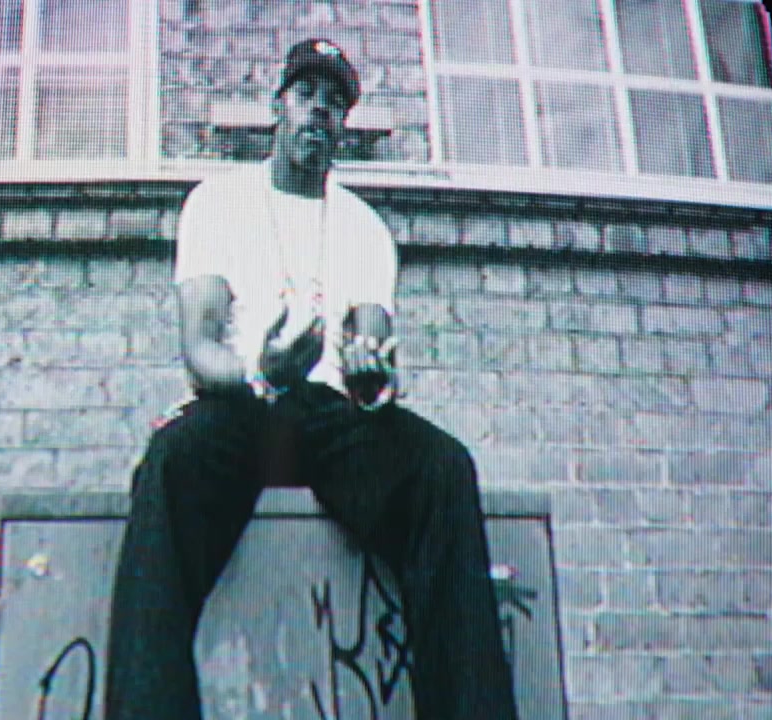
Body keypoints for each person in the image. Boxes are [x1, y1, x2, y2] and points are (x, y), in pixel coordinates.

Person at [102, 39, 520, 720]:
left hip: (330, 417)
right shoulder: (216, 202)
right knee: (168, 464)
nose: (319, 112)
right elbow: (200, 349)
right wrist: (258, 371)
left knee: (444, 468)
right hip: (244, 400)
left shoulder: (365, 229)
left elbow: (373, 349)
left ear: (344, 127)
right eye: (306, 96)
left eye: (334, 104)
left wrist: (372, 379)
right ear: (278, 106)